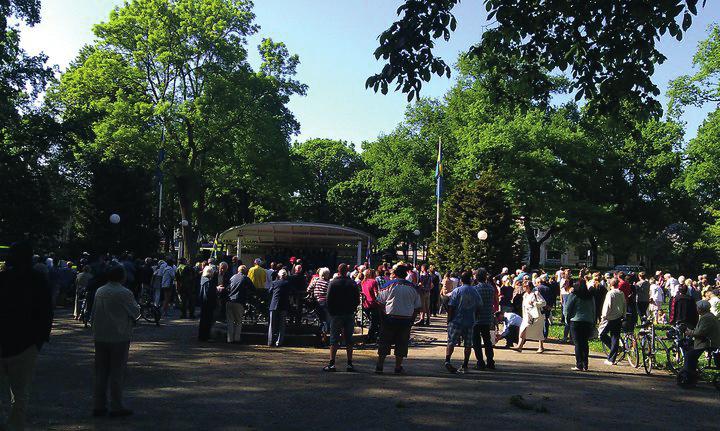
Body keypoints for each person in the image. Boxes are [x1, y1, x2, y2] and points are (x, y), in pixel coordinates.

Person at [0, 242, 53, 431]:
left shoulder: (3, 278)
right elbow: (46, 311)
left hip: (3, 341)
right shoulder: (39, 280)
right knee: (21, 393)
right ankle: (15, 425)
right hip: (27, 344)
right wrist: (39, 340)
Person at [90, 264, 140, 418]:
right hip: (119, 335)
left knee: (101, 372)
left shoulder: (100, 291)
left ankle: (99, 405)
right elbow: (135, 312)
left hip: (100, 335)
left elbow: (93, 312)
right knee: (117, 372)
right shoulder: (124, 293)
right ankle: (116, 405)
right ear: (122, 276)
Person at [375, 263, 421, 374]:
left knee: (385, 342)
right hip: (405, 319)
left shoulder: (388, 285)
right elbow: (417, 307)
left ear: (395, 274)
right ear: (406, 275)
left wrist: (383, 315)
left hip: (390, 318)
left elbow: (380, 302)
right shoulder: (413, 288)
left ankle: (380, 366)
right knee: (402, 344)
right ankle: (397, 367)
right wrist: (412, 320)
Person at [324, 264, 360, 372]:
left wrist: (331, 312)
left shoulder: (333, 283)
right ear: (347, 271)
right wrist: (352, 309)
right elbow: (357, 300)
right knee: (349, 339)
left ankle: (332, 363)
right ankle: (349, 363)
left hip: (336, 313)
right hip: (349, 313)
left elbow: (328, 299)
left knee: (334, 339)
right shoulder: (352, 283)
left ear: (338, 271)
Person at [444, 271, 483, 373]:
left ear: (461, 280)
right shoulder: (475, 291)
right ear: (470, 279)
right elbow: (479, 306)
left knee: (451, 341)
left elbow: (451, 305)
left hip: (456, 320)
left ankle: (447, 360)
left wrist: (449, 319)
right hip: (469, 321)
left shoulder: (457, 291)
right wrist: (476, 317)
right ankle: (465, 364)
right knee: (468, 344)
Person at [680, 300, 720, 386]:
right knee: (691, 352)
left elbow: (700, 333)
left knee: (690, 355)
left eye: (697, 308)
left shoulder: (706, 318)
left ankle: (689, 375)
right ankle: (692, 372)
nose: (697, 309)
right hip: (707, 340)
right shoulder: (708, 316)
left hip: (708, 343)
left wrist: (689, 332)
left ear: (701, 309)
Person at [564, 280, 596, 371]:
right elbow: (594, 309)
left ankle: (579, 364)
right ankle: (585, 364)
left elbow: (567, 308)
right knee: (585, 343)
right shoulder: (590, 296)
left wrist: (567, 320)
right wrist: (593, 321)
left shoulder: (574, 295)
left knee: (577, 343)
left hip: (575, 321)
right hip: (588, 321)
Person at [472, 268, 496, 370]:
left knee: (476, 342)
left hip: (477, 318)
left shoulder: (475, 289)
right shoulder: (491, 288)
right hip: (487, 317)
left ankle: (480, 362)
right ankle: (490, 361)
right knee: (487, 341)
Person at [599, 278, 627, 365]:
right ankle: (612, 358)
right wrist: (624, 314)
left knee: (602, 334)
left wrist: (603, 316)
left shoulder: (610, 293)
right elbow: (624, 304)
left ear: (610, 285)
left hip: (610, 318)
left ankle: (613, 349)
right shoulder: (621, 293)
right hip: (618, 317)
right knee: (615, 337)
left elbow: (607, 305)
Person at [514, 280, 547, 353]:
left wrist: (534, 303)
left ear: (529, 287)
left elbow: (544, 303)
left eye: (525, 286)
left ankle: (541, 347)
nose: (524, 288)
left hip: (536, 316)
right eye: (523, 286)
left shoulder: (536, 293)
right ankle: (519, 346)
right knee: (523, 329)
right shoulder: (525, 295)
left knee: (538, 331)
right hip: (527, 316)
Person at [226, 265, 254, 343]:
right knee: (238, 321)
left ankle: (229, 339)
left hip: (229, 301)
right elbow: (253, 288)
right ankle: (236, 339)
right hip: (239, 302)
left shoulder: (232, 277)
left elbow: (228, 288)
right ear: (245, 271)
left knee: (230, 321)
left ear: (238, 270)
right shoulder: (245, 278)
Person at [267, 269, 292, 347]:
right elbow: (292, 291)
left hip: (274, 305)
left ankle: (270, 341)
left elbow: (269, 291)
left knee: (272, 324)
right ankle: (279, 342)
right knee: (282, 325)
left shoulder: (274, 283)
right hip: (283, 306)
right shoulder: (288, 284)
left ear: (279, 275)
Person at [198, 266, 218, 342]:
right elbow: (210, 294)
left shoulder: (203, 280)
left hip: (203, 303)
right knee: (207, 320)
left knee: (203, 320)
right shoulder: (209, 282)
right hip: (208, 304)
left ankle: (202, 336)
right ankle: (205, 336)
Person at [311, 268, 331, 340]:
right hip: (325, 302)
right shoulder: (328, 283)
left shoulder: (315, 281)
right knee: (325, 320)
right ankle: (323, 335)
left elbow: (309, 288)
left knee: (320, 319)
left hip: (317, 302)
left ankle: (320, 335)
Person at [361, 268, 380, 343]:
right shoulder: (374, 281)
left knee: (373, 321)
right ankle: (370, 337)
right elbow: (376, 294)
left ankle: (373, 336)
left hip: (365, 304)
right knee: (375, 321)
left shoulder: (363, 282)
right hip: (373, 303)